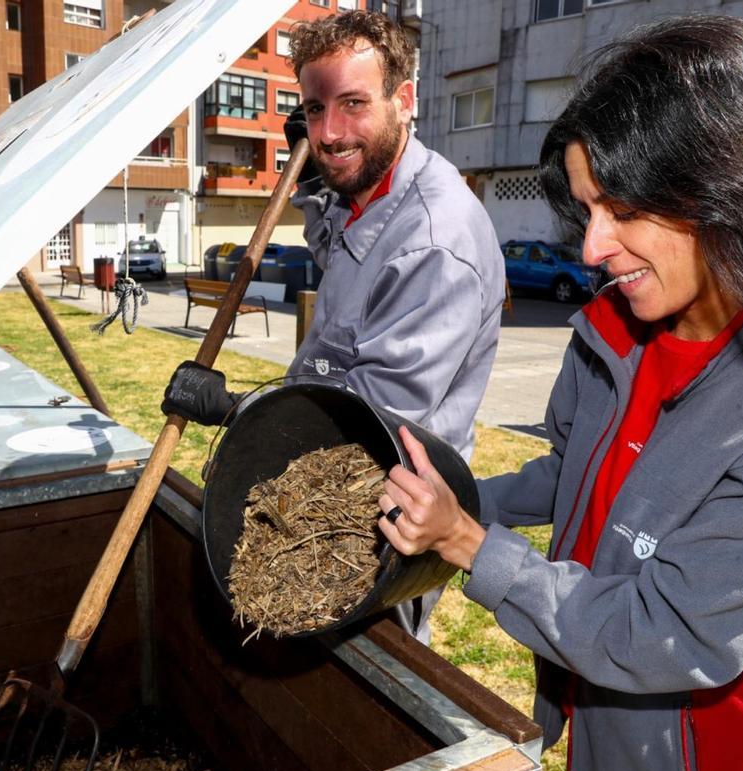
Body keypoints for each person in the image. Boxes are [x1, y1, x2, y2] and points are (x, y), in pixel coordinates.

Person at [375, 16, 743, 771]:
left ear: (728, 187)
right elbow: (573, 470)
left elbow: (659, 631)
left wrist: (472, 544)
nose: (591, 249)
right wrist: (452, 498)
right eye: (586, 209)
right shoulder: (612, 333)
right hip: (602, 721)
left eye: (622, 208)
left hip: (717, 764)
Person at [163, 10, 504, 643]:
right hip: (320, 486)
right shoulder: (369, 193)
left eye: (353, 104)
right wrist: (314, 180)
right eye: (315, 110)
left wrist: (239, 407)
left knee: (365, 691)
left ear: (404, 100)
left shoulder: (433, 243)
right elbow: (337, 244)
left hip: (377, 526)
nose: (330, 131)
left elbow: (371, 431)